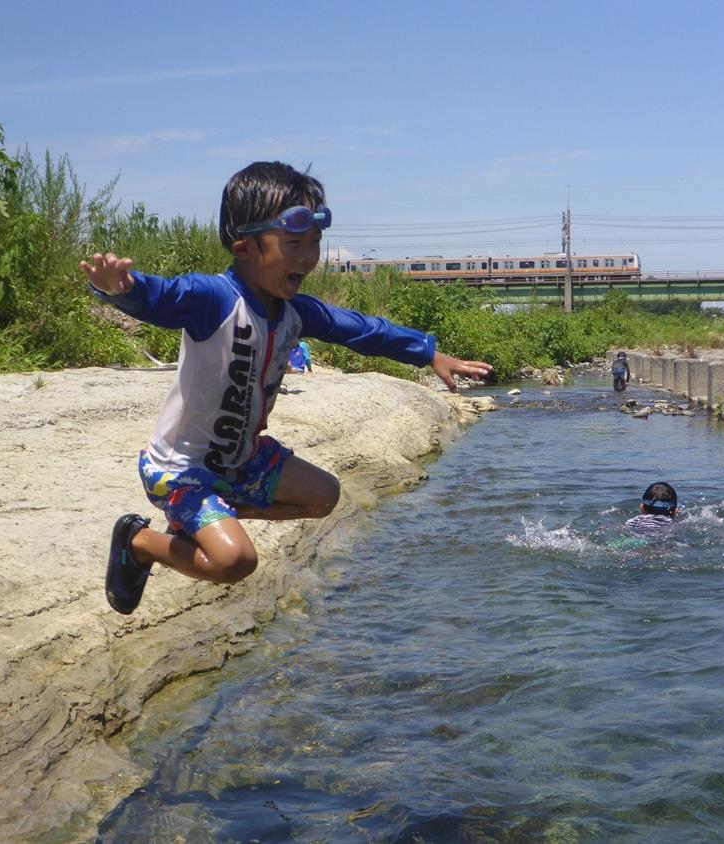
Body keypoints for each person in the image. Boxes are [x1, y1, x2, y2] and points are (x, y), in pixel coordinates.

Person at [79, 161, 493, 614]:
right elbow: (163, 296)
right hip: (182, 469)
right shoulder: (214, 299)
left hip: (244, 458)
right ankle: (138, 542)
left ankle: (213, 514)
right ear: (243, 247)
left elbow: (363, 330)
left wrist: (428, 353)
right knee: (234, 561)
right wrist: (122, 289)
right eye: (294, 244)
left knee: (324, 497)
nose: (307, 258)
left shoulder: (296, 311)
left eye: (314, 243)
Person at [608, 482, 679, 549]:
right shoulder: (672, 524)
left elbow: (624, 529)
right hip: (660, 539)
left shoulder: (635, 521)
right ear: (674, 511)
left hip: (637, 538)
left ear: (642, 508)